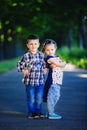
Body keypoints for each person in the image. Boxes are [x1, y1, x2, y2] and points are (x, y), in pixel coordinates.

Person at [17, 35, 46, 119]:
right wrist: (23, 70)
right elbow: (19, 64)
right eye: (31, 44)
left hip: (40, 81)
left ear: (39, 44)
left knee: (39, 98)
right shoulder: (26, 56)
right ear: (27, 45)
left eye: (35, 44)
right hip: (29, 82)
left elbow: (45, 64)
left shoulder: (41, 55)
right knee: (31, 98)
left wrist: (45, 69)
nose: (33, 46)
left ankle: (39, 112)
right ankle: (31, 112)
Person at [43, 39, 66, 119]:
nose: (50, 51)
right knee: (52, 97)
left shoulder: (56, 57)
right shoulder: (50, 58)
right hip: (53, 81)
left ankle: (49, 111)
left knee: (56, 96)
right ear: (45, 51)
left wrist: (62, 63)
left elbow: (63, 63)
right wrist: (62, 63)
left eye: (52, 49)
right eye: (47, 50)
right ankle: (51, 113)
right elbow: (62, 64)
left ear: (55, 48)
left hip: (58, 81)